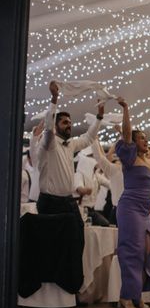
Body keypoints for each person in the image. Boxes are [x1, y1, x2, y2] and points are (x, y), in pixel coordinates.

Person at [114, 97, 150, 308]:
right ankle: (126, 297)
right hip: (129, 207)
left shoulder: (149, 161)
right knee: (133, 251)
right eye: (141, 138)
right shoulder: (129, 157)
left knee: (149, 251)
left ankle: (137, 293)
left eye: (146, 138)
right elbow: (126, 133)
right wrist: (126, 108)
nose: (145, 140)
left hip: (144, 210)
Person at [36, 81, 103, 216]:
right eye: (65, 122)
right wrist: (54, 99)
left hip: (67, 201)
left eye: (70, 123)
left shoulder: (71, 144)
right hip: (50, 202)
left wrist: (99, 117)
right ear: (56, 126)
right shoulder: (49, 143)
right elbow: (48, 128)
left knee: (75, 234)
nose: (69, 125)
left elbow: (89, 138)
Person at [91, 140, 123, 225]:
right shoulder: (112, 170)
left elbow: (103, 157)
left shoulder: (124, 170)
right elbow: (104, 157)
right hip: (113, 207)